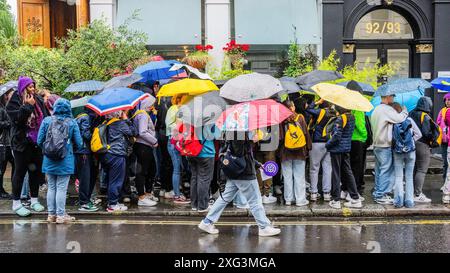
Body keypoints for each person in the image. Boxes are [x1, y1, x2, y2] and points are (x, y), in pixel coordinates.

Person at [198, 132, 281, 237]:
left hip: (236, 173)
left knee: (224, 198)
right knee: (255, 200)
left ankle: (207, 222)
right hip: (244, 174)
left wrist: (257, 164)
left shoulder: (234, 130)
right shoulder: (238, 132)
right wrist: (251, 141)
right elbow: (239, 154)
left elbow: (242, 155)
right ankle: (264, 227)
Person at [6, 76, 49, 217]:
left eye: (33, 86)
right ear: (23, 88)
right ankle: (16, 203)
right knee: (20, 172)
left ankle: (34, 200)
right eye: (30, 86)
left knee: (35, 172)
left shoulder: (38, 99)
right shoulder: (14, 102)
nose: (33, 89)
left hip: (36, 144)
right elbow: (17, 121)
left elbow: (46, 117)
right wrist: (27, 106)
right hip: (21, 144)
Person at [37, 98, 82, 224]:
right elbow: (79, 143)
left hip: (49, 159)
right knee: (61, 188)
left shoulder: (47, 120)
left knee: (51, 187)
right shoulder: (72, 122)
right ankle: (61, 215)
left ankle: (51, 215)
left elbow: (39, 141)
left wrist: (49, 150)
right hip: (65, 160)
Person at [370, 95, 408, 204]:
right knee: (386, 170)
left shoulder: (376, 109)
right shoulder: (386, 109)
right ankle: (381, 195)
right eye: (392, 96)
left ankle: (377, 192)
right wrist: (404, 111)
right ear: (387, 97)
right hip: (385, 144)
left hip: (377, 144)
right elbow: (399, 118)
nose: (394, 98)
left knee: (379, 170)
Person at [326, 105, 362, 209]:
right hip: (346, 148)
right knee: (348, 172)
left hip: (337, 149)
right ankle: (355, 198)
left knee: (336, 173)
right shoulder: (352, 117)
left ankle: (335, 200)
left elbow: (337, 136)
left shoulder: (340, 119)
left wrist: (328, 144)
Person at [101, 110, 138, 212]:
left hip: (106, 154)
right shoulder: (120, 123)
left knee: (110, 180)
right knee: (116, 181)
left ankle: (112, 201)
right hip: (117, 154)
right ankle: (112, 205)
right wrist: (126, 119)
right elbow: (134, 132)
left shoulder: (105, 123)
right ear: (118, 114)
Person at [280, 100, 312, 206]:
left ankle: (288, 199)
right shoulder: (300, 118)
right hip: (299, 151)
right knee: (299, 176)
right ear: (293, 107)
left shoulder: (281, 119)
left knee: (287, 176)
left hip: (285, 152)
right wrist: (308, 148)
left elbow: (280, 137)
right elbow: (305, 134)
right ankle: (300, 200)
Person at [391, 103, 422, 208]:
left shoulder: (393, 121)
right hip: (410, 152)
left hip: (398, 151)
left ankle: (398, 201)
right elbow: (419, 134)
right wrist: (411, 141)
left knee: (399, 176)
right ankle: (409, 201)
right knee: (409, 177)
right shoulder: (410, 121)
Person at [132, 97, 159, 207]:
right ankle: (141, 197)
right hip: (143, 146)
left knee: (151, 169)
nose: (153, 106)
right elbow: (142, 132)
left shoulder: (141, 114)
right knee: (142, 172)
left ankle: (147, 194)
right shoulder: (143, 115)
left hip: (144, 146)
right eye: (152, 104)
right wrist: (154, 141)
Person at [409, 96, 436, 203]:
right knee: (422, 169)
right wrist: (432, 139)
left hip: (412, 143)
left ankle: (412, 191)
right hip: (422, 144)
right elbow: (427, 133)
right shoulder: (425, 116)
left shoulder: (411, 113)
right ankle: (417, 193)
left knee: (414, 168)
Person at [306, 99, 333, 201]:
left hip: (317, 142)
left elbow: (308, 109)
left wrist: (316, 102)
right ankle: (326, 193)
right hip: (329, 142)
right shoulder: (333, 113)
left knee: (314, 168)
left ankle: (314, 192)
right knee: (327, 168)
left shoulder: (321, 112)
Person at [166, 95, 190, 202]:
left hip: (181, 141)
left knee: (181, 168)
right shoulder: (173, 109)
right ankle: (177, 194)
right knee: (176, 169)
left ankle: (179, 191)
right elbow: (169, 124)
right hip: (174, 141)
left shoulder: (184, 109)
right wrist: (180, 127)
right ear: (179, 98)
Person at [75, 108, 99, 212]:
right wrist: (97, 136)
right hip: (83, 151)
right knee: (85, 177)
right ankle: (84, 202)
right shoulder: (86, 118)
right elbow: (86, 134)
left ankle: (85, 200)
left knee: (87, 176)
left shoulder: (84, 116)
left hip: (82, 151)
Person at [189, 125, 218, 211]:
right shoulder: (209, 120)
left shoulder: (190, 117)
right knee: (204, 179)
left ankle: (194, 205)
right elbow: (216, 135)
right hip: (206, 152)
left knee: (194, 177)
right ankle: (202, 206)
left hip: (191, 151)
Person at [0, 86, 14, 199]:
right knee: (2, 167)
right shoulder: (0, 109)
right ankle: (1, 191)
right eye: (5, 95)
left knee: (12, 165)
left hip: (8, 143)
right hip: (3, 143)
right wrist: (9, 123)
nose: (6, 96)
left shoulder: (5, 108)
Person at [437, 93, 450, 184]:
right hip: (444, 141)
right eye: (446, 100)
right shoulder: (442, 111)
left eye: (449, 100)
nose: (448, 102)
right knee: (445, 162)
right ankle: (445, 182)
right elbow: (437, 123)